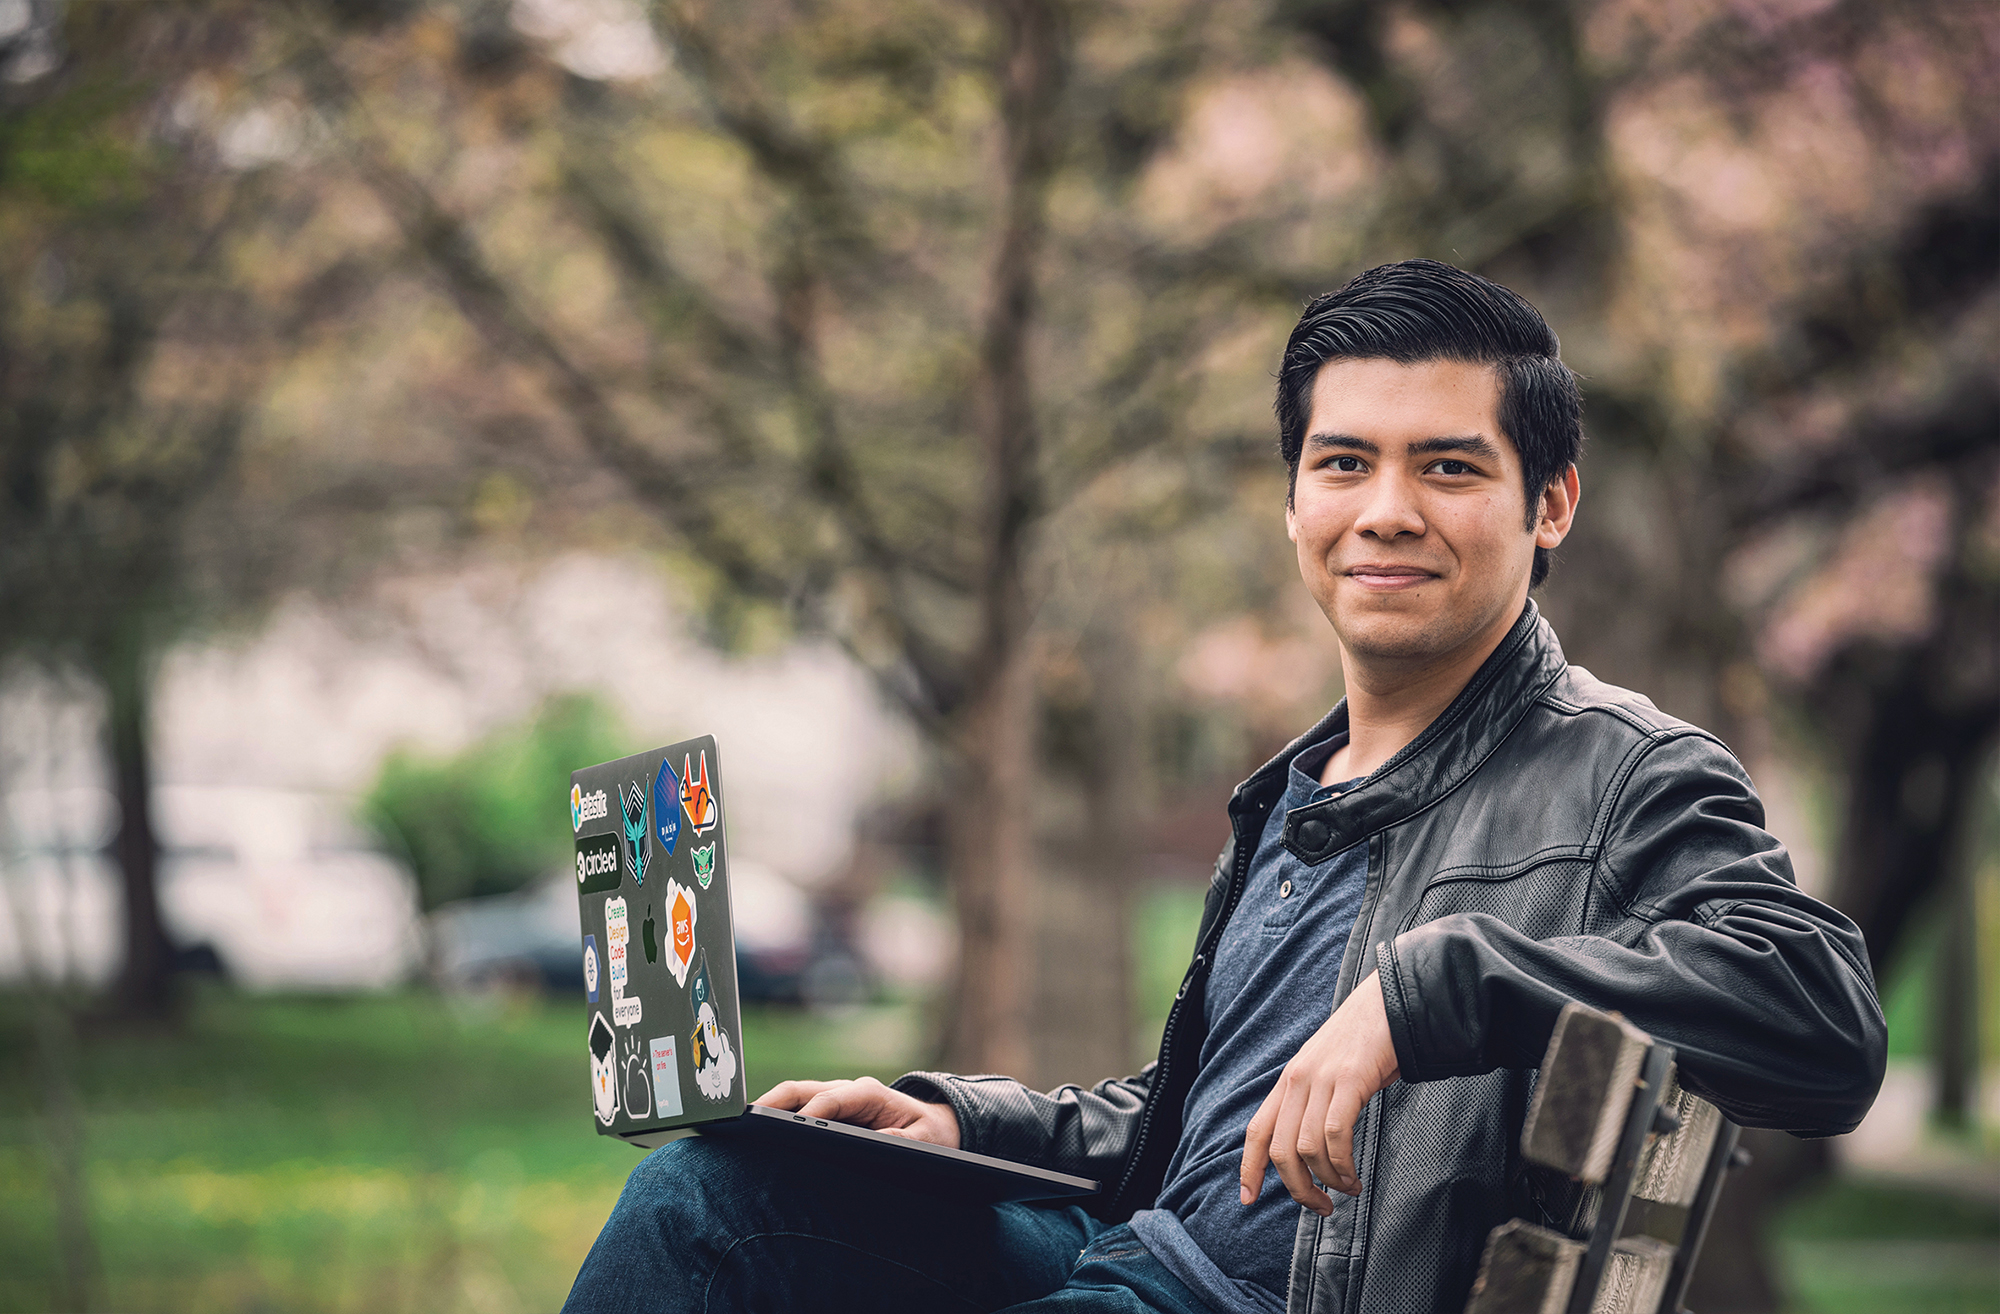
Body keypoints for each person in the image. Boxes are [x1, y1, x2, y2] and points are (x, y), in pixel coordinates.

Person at [560, 259, 1885, 1314]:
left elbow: (1824, 1020)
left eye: (1450, 465)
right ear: (1295, 500)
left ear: (1552, 505)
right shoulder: (1304, 790)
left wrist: (1435, 991)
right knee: (704, 1197)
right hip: (1130, 1252)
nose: (1386, 509)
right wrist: (962, 1114)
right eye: (1344, 461)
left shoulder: (1625, 776)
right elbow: (1206, 1124)